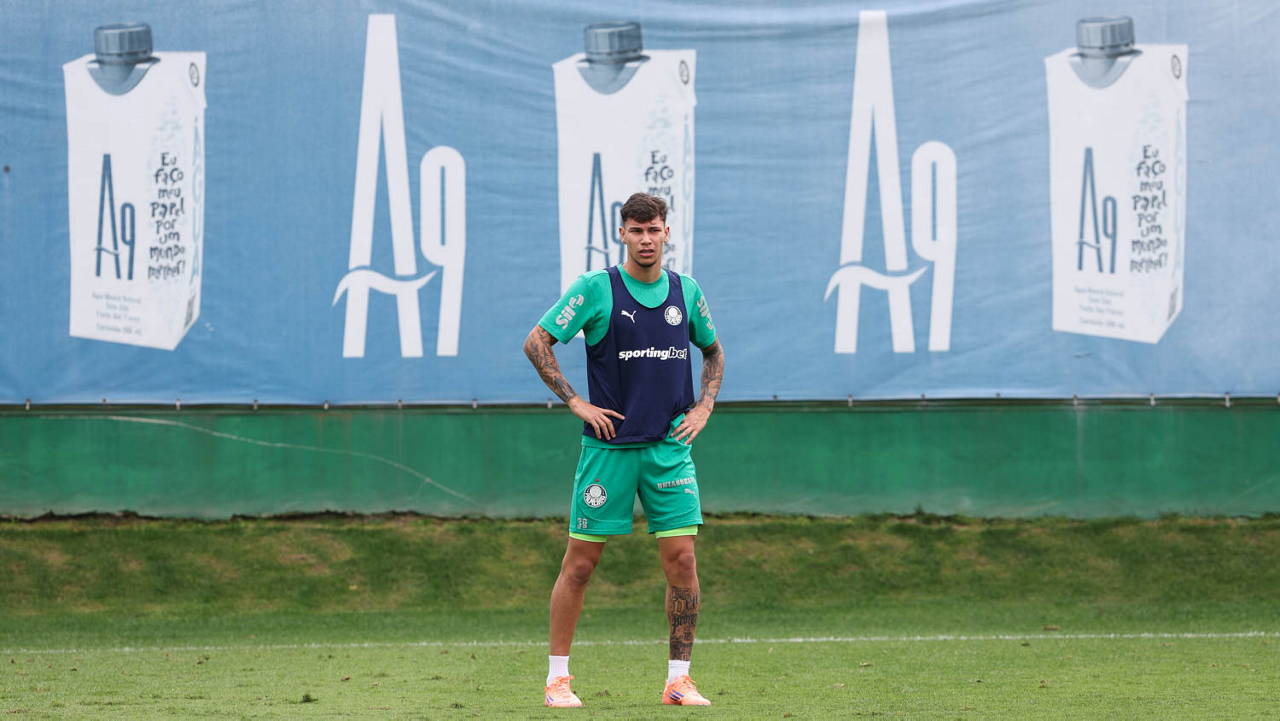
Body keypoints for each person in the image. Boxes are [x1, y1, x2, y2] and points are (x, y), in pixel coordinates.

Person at [524, 192, 725, 708]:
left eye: (654, 229)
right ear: (622, 234)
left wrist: (702, 408)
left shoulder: (686, 291)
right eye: (636, 230)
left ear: (666, 233)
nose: (646, 239)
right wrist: (575, 402)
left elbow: (713, 350)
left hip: (669, 450)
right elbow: (537, 342)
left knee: (682, 563)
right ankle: (557, 681)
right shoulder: (596, 289)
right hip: (609, 450)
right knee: (580, 566)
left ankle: (678, 681)